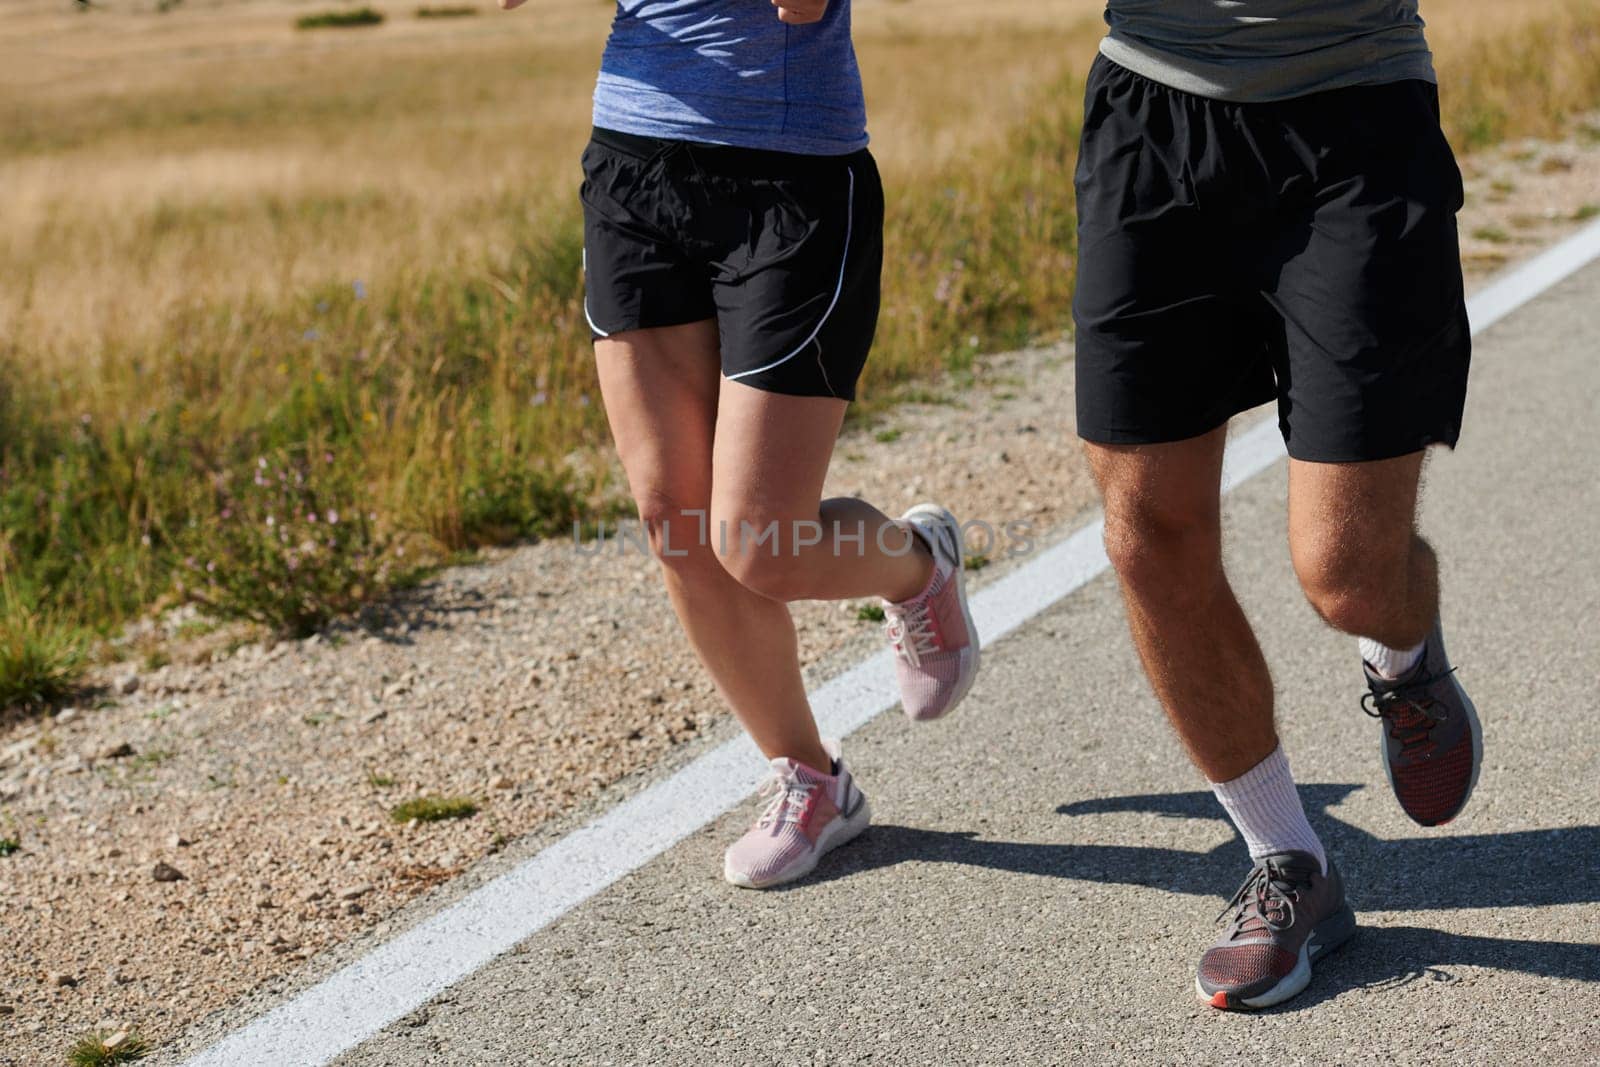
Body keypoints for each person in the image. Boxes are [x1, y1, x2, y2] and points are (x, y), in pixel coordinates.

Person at [499, 0, 981, 888]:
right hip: (633, 166)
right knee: (674, 520)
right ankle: (812, 778)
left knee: (760, 544)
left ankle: (919, 568)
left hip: (787, 179)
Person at [1071, 1, 1482, 1008]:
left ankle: (1403, 650)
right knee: (1145, 529)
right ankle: (1288, 860)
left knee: (1345, 571)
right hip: (1150, 107)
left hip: (1356, 113)